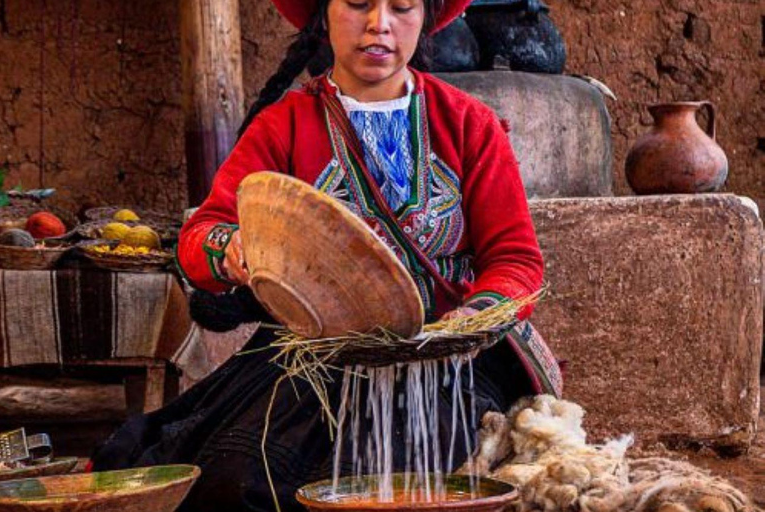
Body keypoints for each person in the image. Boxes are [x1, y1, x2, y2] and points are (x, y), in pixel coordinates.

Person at [92, 1, 563, 510]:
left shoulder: (469, 124)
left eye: (402, 6)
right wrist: (230, 247)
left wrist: (467, 323)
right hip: (315, 356)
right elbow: (200, 236)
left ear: (424, 17)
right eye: (358, 3)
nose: (379, 24)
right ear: (323, 13)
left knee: (408, 481)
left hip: (449, 363)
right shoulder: (285, 126)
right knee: (237, 480)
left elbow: (515, 260)